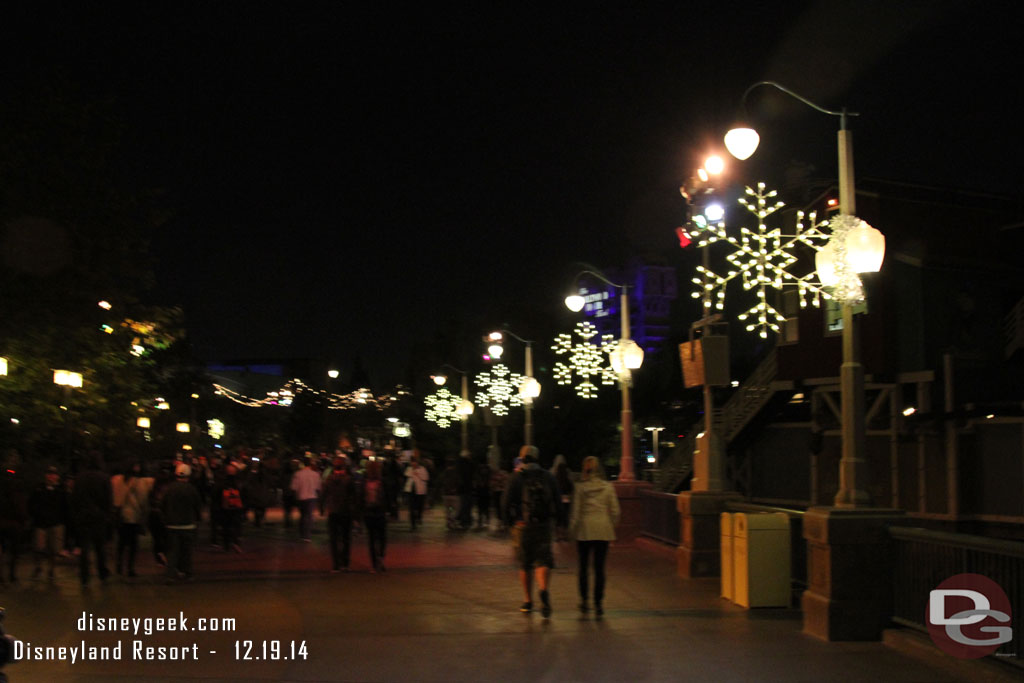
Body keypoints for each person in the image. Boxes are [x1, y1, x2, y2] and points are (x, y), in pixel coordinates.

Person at [503, 445, 559, 617]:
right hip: (543, 525)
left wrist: (509, 522)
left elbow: (505, 502)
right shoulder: (548, 476)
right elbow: (557, 499)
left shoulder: (516, 477)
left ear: (522, 458)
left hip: (522, 526)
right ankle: (543, 589)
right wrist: (559, 521)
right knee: (543, 560)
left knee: (525, 563)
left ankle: (528, 601)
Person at [569, 456, 620, 617]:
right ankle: (598, 603)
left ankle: (584, 601)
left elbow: (576, 513)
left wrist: (571, 532)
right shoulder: (608, 487)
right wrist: (611, 525)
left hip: (584, 530)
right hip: (602, 530)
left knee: (583, 568)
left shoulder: (580, 488)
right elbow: (616, 511)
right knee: (599, 568)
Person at [71, 451, 113, 586]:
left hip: (83, 516)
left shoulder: (80, 478)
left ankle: (85, 576)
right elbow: (108, 499)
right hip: (99, 517)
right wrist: (107, 514)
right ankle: (102, 573)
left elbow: (74, 498)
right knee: (100, 547)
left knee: (84, 547)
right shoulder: (104, 478)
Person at [162, 463, 202, 584]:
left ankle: (170, 574)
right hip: (188, 524)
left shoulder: (169, 489)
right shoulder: (191, 489)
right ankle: (188, 573)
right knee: (187, 551)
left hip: (171, 524)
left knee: (172, 551)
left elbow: (162, 505)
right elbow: (197, 505)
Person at [29, 465, 68, 579]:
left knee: (53, 549)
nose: (51, 477)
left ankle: (51, 569)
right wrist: (36, 514)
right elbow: (31, 504)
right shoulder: (39, 489)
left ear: (57, 477)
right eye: (49, 474)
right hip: (41, 523)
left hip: (55, 523)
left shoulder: (60, 491)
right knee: (38, 547)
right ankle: (38, 567)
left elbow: (65, 507)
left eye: (54, 474)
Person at [116, 461, 152, 577]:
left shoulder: (118, 480)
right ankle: (130, 568)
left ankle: (119, 565)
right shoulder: (139, 482)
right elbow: (142, 499)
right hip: (133, 516)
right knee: (133, 544)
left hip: (121, 516)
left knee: (121, 543)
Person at [321, 457, 357, 571]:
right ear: (344, 467)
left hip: (333, 511)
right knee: (346, 538)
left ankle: (335, 565)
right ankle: (345, 563)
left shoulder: (329, 479)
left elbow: (323, 494)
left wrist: (322, 507)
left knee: (334, 538)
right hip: (346, 511)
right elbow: (353, 496)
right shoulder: (348, 479)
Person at [0, 454, 29, 585]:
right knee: (13, 551)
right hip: (14, 523)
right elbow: (20, 504)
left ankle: (2, 576)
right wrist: (23, 519)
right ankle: (12, 575)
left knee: (3, 550)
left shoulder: (3, 482)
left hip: (3, 521)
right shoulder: (18, 484)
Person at [361, 459, 388, 573]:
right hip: (377, 512)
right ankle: (379, 560)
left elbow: (361, 498)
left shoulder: (367, 482)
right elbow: (386, 497)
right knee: (380, 538)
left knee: (373, 539)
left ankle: (374, 563)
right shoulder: (379, 482)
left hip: (372, 512)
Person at [214, 464, 245, 552]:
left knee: (226, 527)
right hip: (236, 508)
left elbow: (216, 495)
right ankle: (235, 542)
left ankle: (226, 545)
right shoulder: (238, 482)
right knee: (236, 526)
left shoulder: (221, 482)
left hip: (225, 509)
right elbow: (243, 494)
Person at [291, 458, 321, 541]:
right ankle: (307, 534)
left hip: (301, 497)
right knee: (308, 515)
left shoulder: (298, 474)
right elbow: (318, 488)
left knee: (303, 515)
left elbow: (294, 488)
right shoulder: (315, 474)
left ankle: (302, 533)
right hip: (312, 497)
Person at [551, 455, 574, 542]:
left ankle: (558, 536)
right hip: (567, 498)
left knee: (557, 517)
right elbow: (571, 485)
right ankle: (565, 535)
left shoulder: (553, 472)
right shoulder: (567, 471)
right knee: (565, 517)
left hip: (557, 498)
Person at [404, 456, 429, 531]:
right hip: (411, 490)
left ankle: (419, 517)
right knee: (411, 508)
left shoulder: (422, 469)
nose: (413, 463)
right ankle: (413, 525)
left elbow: (426, 478)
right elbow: (406, 475)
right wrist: (412, 472)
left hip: (420, 491)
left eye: (415, 462)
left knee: (419, 506)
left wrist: (418, 474)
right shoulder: (409, 469)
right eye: (412, 462)